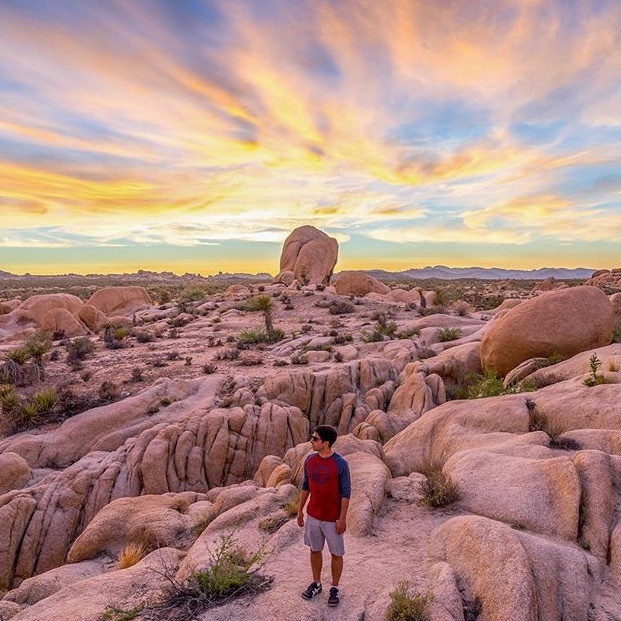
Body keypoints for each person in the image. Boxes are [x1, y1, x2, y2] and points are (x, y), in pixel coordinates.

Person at [297, 424, 351, 607]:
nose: (311, 441)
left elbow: (346, 493)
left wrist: (342, 518)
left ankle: (334, 588)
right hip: (313, 515)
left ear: (326, 443)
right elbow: (306, 486)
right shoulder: (310, 460)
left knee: (336, 553)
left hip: (332, 518)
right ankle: (317, 584)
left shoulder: (340, 464)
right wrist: (300, 510)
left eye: (315, 439)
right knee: (314, 550)